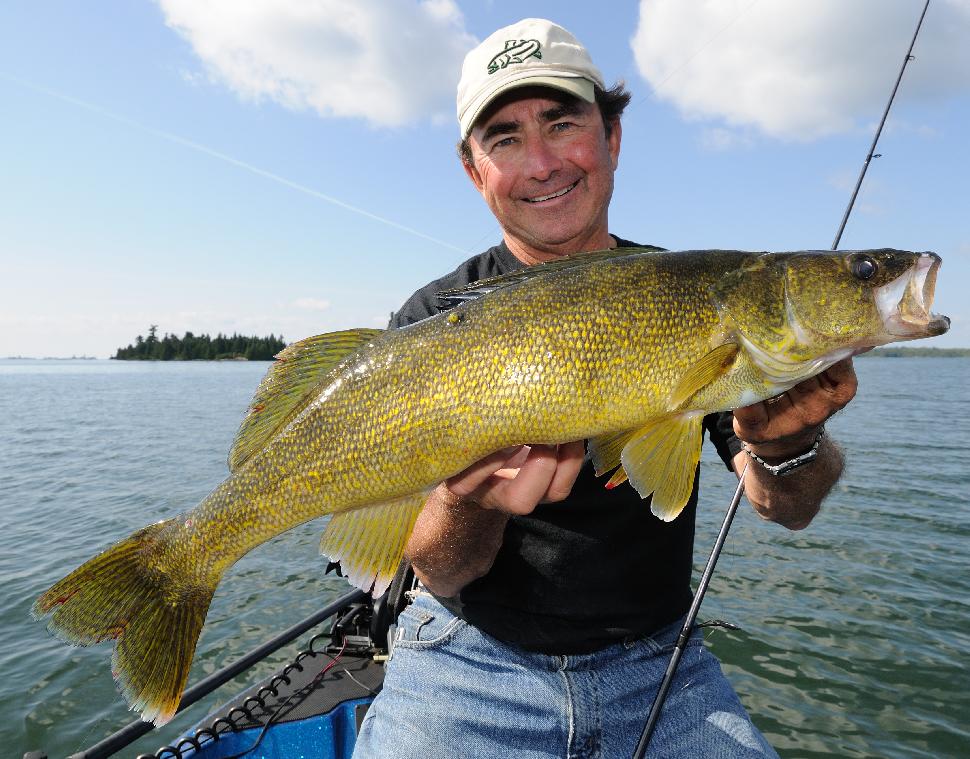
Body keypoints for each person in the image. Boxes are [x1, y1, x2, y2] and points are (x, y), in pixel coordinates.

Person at [353, 18, 855, 759]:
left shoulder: (695, 294)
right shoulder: (430, 321)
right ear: (474, 170)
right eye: (505, 137)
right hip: (466, 650)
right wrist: (468, 501)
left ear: (613, 137)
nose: (542, 162)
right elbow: (441, 568)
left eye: (562, 123)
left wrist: (790, 448)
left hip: (660, 664)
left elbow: (788, 508)